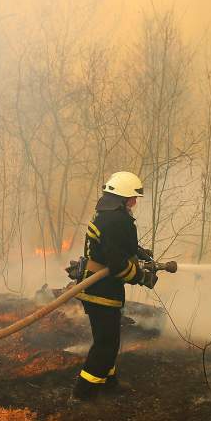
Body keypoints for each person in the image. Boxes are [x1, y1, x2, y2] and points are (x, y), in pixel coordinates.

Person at [71, 171, 158, 402]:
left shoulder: (107, 216)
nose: (135, 202)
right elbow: (118, 264)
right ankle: (82, 394)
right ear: (124, 197)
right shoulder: (116, 220)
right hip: (101, 289)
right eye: (133, 197)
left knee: (109, 339)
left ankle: (109, 383)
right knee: (106, 343)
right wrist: (142, 278)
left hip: (98, 286)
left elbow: (113, 246)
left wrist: (138, 252)